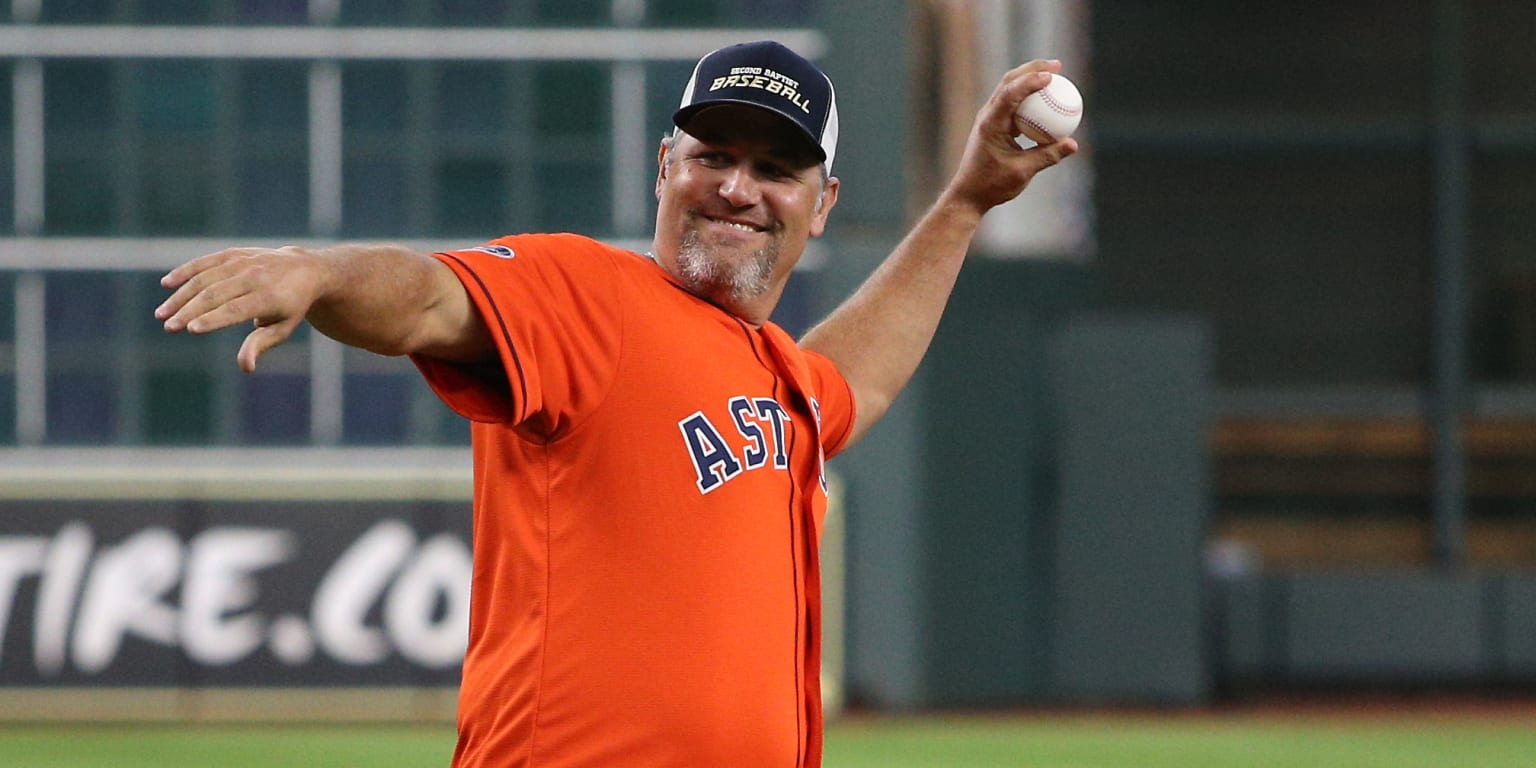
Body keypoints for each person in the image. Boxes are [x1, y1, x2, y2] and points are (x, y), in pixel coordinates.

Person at [155, 40, 1076, 768]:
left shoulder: (781, 376)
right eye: (712, 154)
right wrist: (320, 273)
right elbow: (433, 297)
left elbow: (855, 384)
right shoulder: (589, 297)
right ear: (664, 167)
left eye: (777, 169)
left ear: (821, 204)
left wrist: (964, 203)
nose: (737, 187)